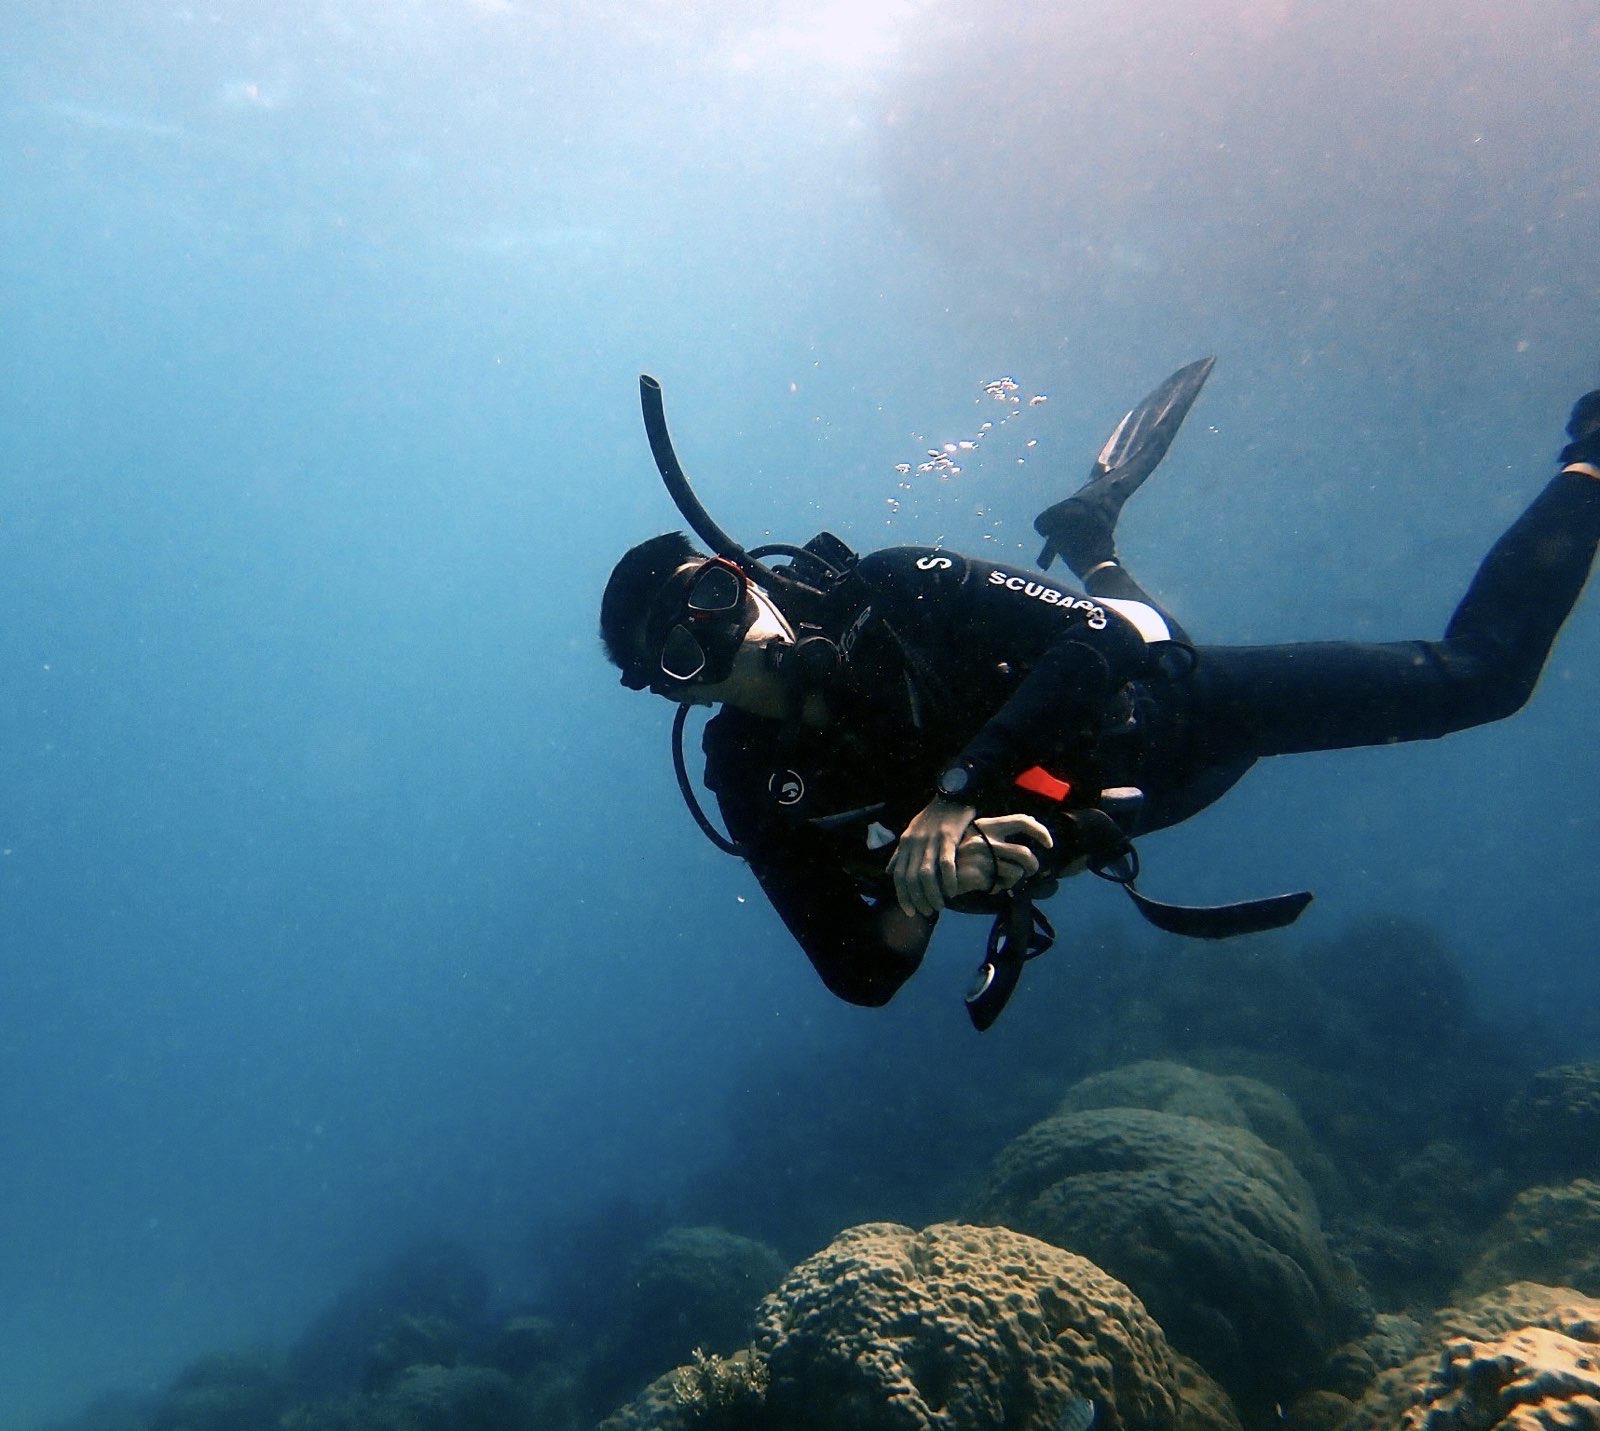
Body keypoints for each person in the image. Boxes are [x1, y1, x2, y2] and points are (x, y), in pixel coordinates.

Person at [601, 367, 1600, 1029]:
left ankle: (1588, 453)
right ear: (670, 693)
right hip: (1101, 817)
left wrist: (957, 789)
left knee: (1481, 680)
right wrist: (926, 893)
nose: (732, 637)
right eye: (686, 657)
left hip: (1172, 716)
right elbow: (862, 975)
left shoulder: (895, 586)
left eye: (716, 597)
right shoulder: (747, 775)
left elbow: (1096, 639)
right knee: (1139, 633)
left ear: (745, 573)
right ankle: (1090, 537)